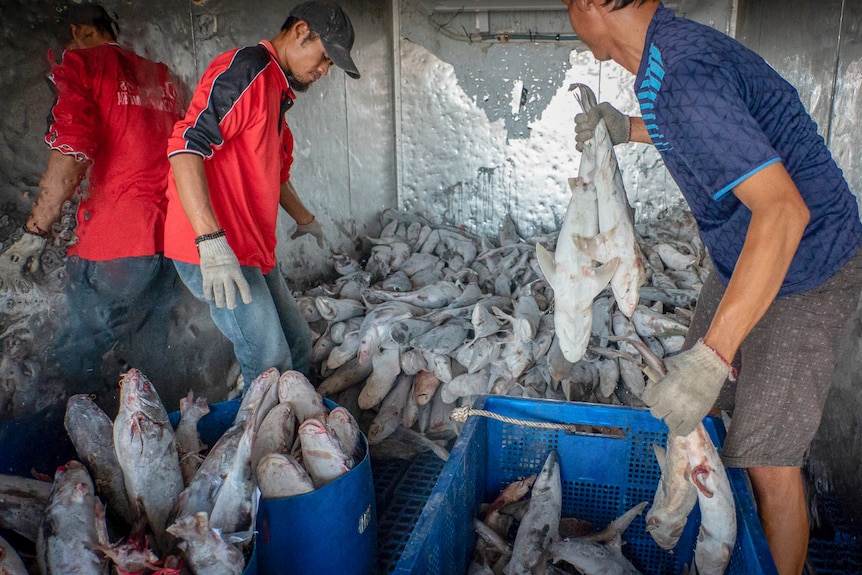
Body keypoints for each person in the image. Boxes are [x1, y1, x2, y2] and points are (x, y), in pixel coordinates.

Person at [563, 1, 862, 573]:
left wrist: (713, 356)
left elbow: (783, 213)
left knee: (769, 460)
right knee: (703, 413)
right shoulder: (659, 62)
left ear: (592, 4)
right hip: (747, 252)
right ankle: (722, 539)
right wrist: (625, 129)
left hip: (806, 265)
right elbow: (712, 130)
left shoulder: (684, 74)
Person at [165, 0, 359, 390]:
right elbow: (186, 147)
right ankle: (260, 448)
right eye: (324, 58)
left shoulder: (278, 95)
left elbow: (275, 175)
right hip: (214, 249)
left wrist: (306, 220)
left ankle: (302, 434)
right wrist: (210, 242)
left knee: (298, 344)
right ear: (301, 31)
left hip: (251, 249)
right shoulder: (248, 70)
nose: (323, 71)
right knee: (269, 360)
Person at [0, 3, 185, 396]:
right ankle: (160, 430)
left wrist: (35, 231)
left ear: (80, 32)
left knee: (77, 352)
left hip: (114, 244)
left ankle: (77, 442)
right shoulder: (164, 78)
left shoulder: (83, 65)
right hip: (169, 243)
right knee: (155, 352)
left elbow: (72, 149)